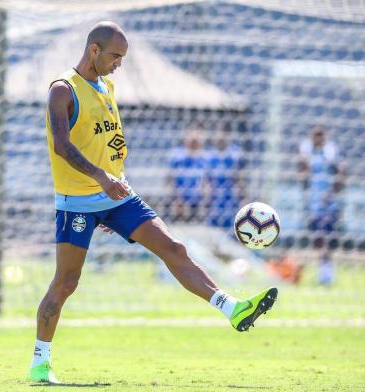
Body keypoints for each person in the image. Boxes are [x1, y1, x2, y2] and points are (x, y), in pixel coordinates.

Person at [29, 21, 278, 384]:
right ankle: (40, 363)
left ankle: (234, 309)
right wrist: (100, 178)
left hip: (118, 195)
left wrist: (116, 180)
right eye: (115, 56)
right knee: (66, 282)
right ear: (94, 50)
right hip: (78, 202)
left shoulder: (107, 84)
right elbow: (61, 146)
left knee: (175, 247)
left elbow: (108, 142)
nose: (119, 64)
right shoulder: (62, 91)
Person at [299, 126, 344, 285]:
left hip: (328, 204)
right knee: (317, 238)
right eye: (314, 136)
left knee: (326, 237)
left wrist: (331, 193)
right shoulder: (309, 153)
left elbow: (341, 173)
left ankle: (327, 273)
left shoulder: (330, 152)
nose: (317, 139)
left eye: (319, 136)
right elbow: (302, 172)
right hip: (313, 202)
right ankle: (323, 269)